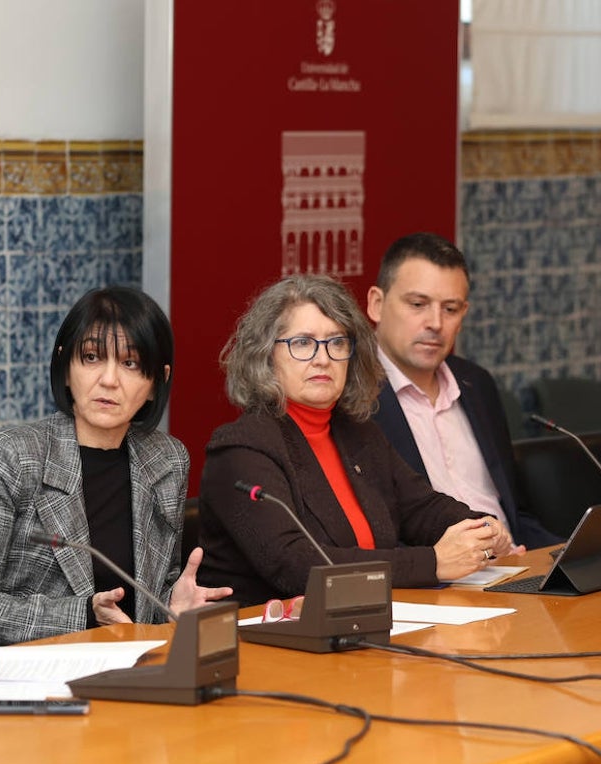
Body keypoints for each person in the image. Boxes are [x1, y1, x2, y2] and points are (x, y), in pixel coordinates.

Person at [195, 274, 514, 607]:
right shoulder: (241, 449)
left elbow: (420, 508)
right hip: (265, 642)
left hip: (361, 623)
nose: (323, 358)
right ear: (266, 356)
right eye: (302, 343)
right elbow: (296, 566)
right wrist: (433, 563)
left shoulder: (358, 432)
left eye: (337, 342)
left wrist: (479, 527)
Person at [0, 286, 231, 645]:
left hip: (131, 669)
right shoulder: (8, 457)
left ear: (157, 382)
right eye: (91, 357)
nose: (109, 379)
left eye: (130, 363)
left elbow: (150, 592)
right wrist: (83, 616)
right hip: (32, 677)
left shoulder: (167, 460)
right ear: (65, 367)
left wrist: (171, 603)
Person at [367, 232, 561, 550]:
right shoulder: (351, 394)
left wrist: (571, 552)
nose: (435, 323)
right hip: (433, 581)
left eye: (451, 309)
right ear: (376, 304)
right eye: (418, 304)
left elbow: (515, 517)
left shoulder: (477, 384)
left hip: (511, 566)